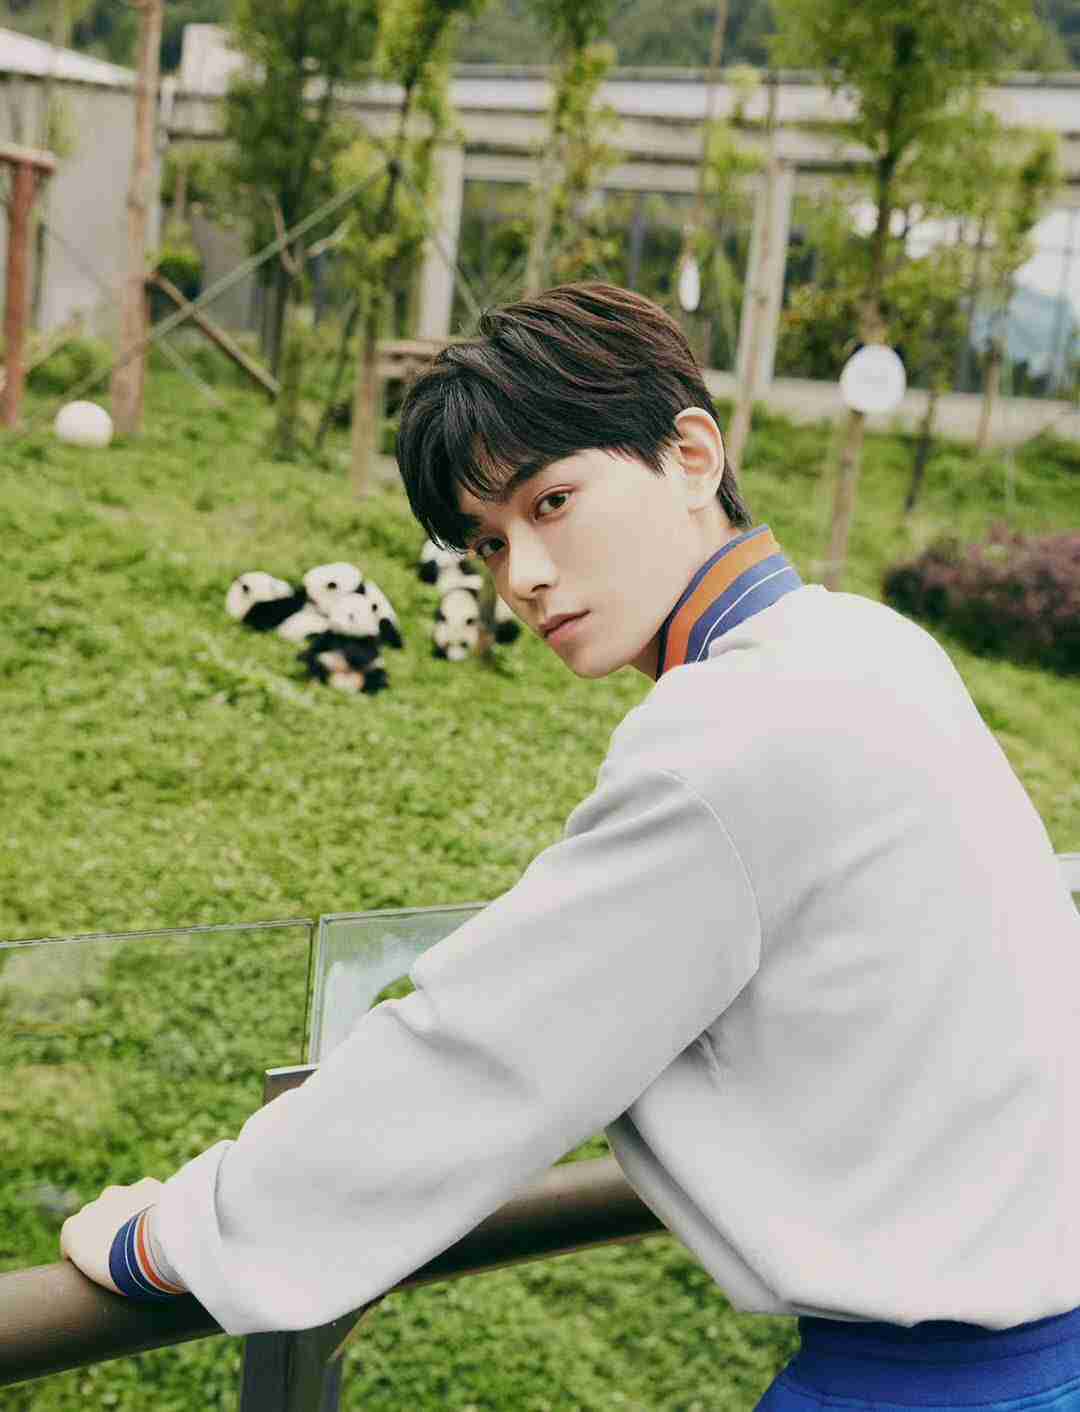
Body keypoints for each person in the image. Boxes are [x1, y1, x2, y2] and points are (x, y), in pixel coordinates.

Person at [61, 283, 1080, 1409]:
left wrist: (171, 1236)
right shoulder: (867, 645)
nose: (524, 576)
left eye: (553, 501)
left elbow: (485, 1051)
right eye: (490, 542)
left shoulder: (732, 733)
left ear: (692, 455)